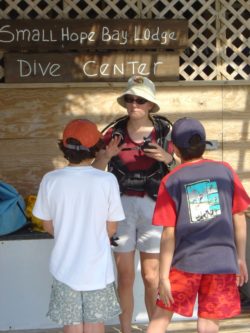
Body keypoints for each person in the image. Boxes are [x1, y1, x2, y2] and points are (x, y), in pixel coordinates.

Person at [146, 117, 250, 333]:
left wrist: (163, 276)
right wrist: (239, 257)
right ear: (203, 144)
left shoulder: (172, 180)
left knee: (161, 317)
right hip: (222, 262)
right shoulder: (226, 171)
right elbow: (239, 216)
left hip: (185, 262)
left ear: (173, 148)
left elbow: (168, 234)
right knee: (209, 322)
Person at [93, 75, 175, 333]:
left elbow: (184, 171)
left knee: (152, 277)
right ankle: (126, 329)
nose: (134, 104)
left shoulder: (164, 133)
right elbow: (94, 171)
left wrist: (168, 158)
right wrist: (106, 156)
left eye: (140, 100)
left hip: (153, 209)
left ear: (151, 104)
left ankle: (154, 329)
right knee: (125, 277)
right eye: (129, 99)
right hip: (120, 209)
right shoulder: (113, 133)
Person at [32, 119, 125, 333]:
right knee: (95, 324)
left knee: (71, 324)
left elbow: (47, 225)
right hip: (97, 269)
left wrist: (67, 233)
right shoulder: (107, 180)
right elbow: (111, 229)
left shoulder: (50, 180)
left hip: (64, 267)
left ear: (64, 147)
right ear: (95, 149)